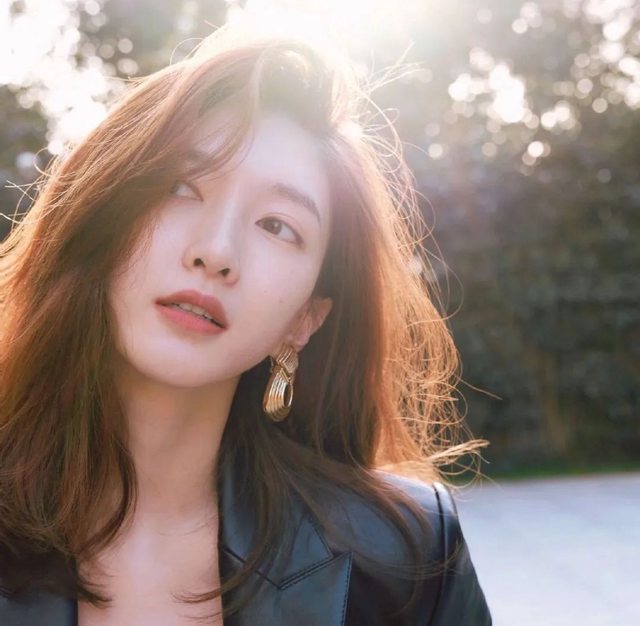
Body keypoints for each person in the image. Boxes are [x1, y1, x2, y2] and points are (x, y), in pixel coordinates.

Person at [0, 19, 492, 626]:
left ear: (305, 318)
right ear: (97, 215)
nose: (216, 251)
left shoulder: (406, 559)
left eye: (277, 226)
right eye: (180, 187)